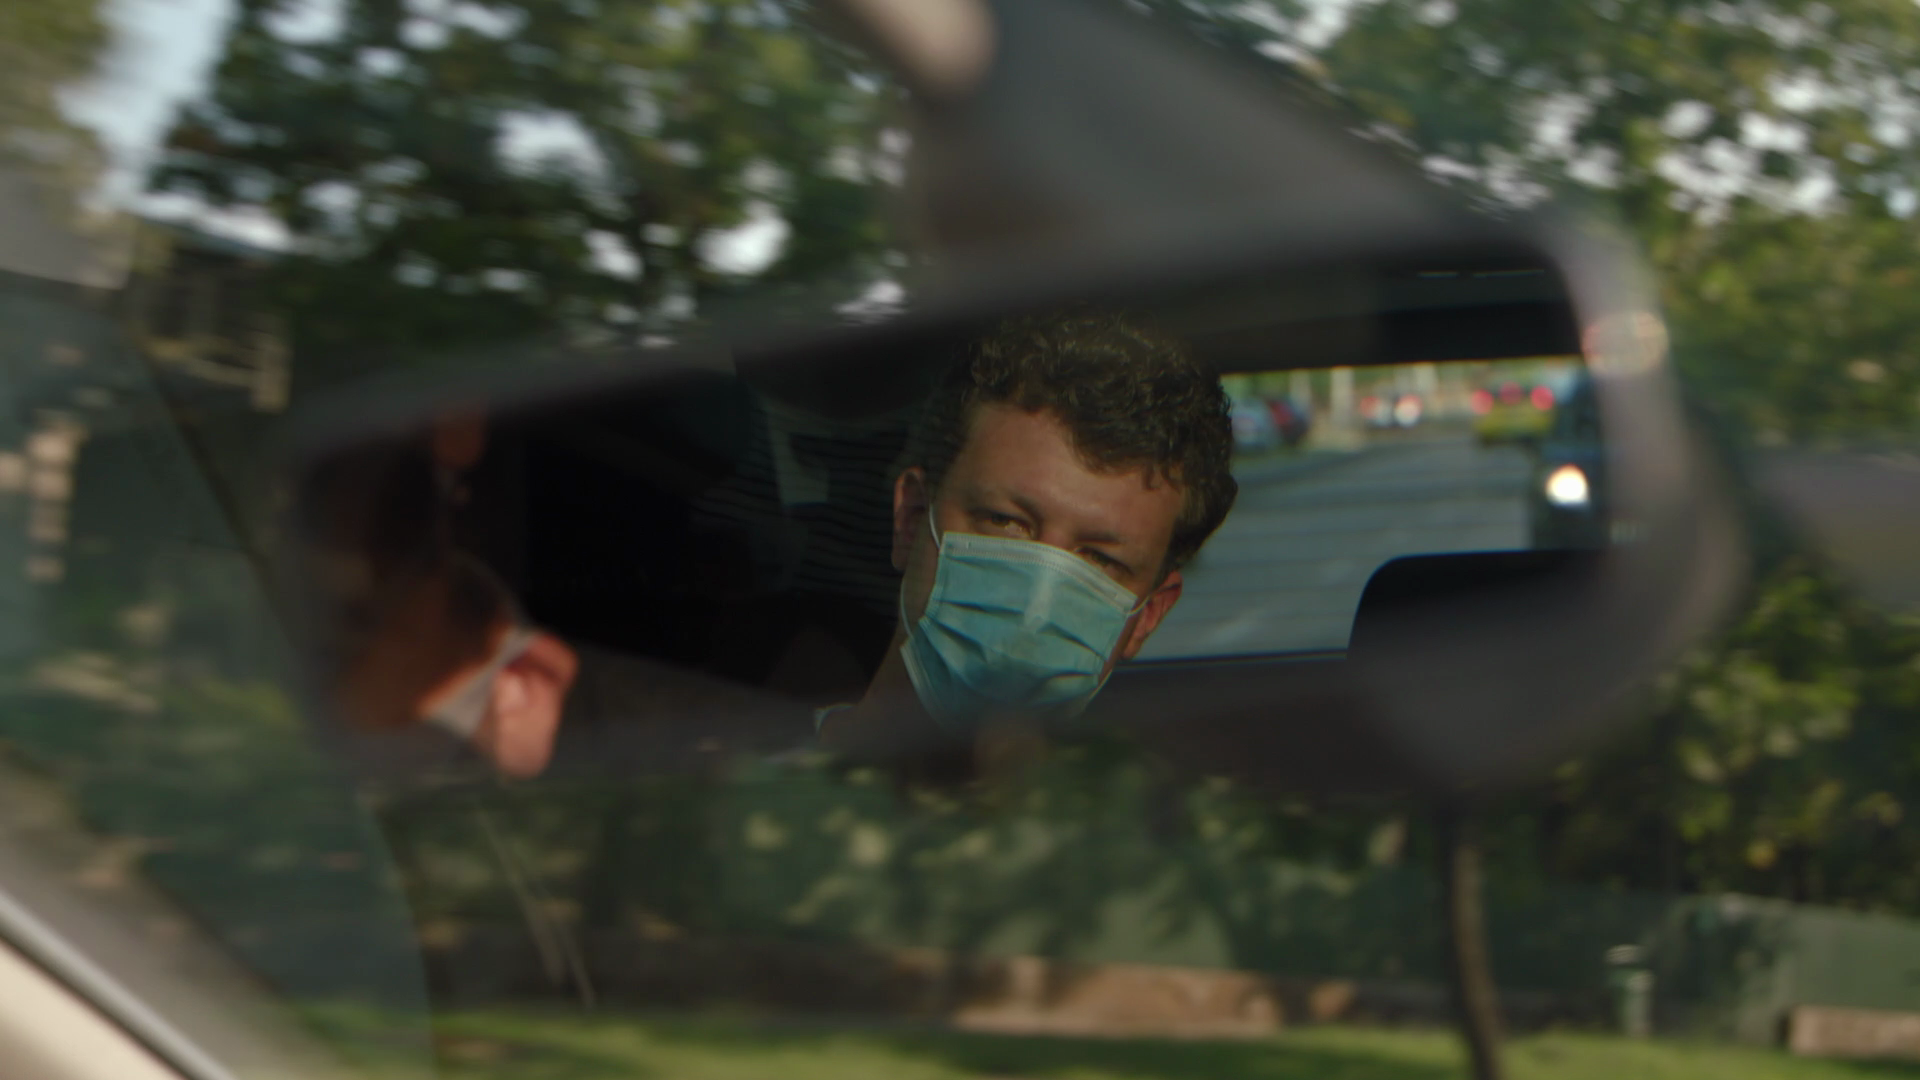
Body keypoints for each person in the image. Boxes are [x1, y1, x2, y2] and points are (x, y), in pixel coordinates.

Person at [816, 313, 1238, 755]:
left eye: (1099, 560)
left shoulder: (1166, 801)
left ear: (1148, 616)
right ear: (912, 518)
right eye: (1005, 522)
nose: (1037, 606)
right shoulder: (765, 782)